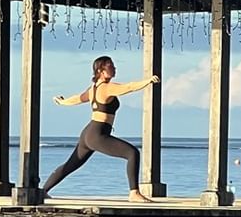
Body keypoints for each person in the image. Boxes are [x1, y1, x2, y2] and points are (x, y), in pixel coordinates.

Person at [42, 55, 160, 203]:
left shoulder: (93, 88)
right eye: (110, 66)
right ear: (100, 70)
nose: (114, 68)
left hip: (89, 133)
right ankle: (134, 193)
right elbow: (128, 87)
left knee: (71, 165)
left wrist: (63, 102)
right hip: (98, 134)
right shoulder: (106, 87)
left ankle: (43, 191)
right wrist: (147, 81)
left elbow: (78, 98)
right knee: (132, 153)